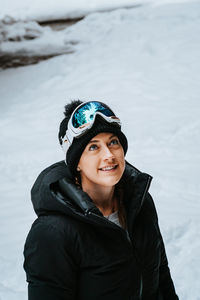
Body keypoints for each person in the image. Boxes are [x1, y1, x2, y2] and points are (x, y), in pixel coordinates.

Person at [23, 100, 179, 300]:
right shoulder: (53, 233)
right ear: (76, 162)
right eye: (93, 147)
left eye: (113, 142)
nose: (108, 155)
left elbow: (162, 278)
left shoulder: (140, 203)